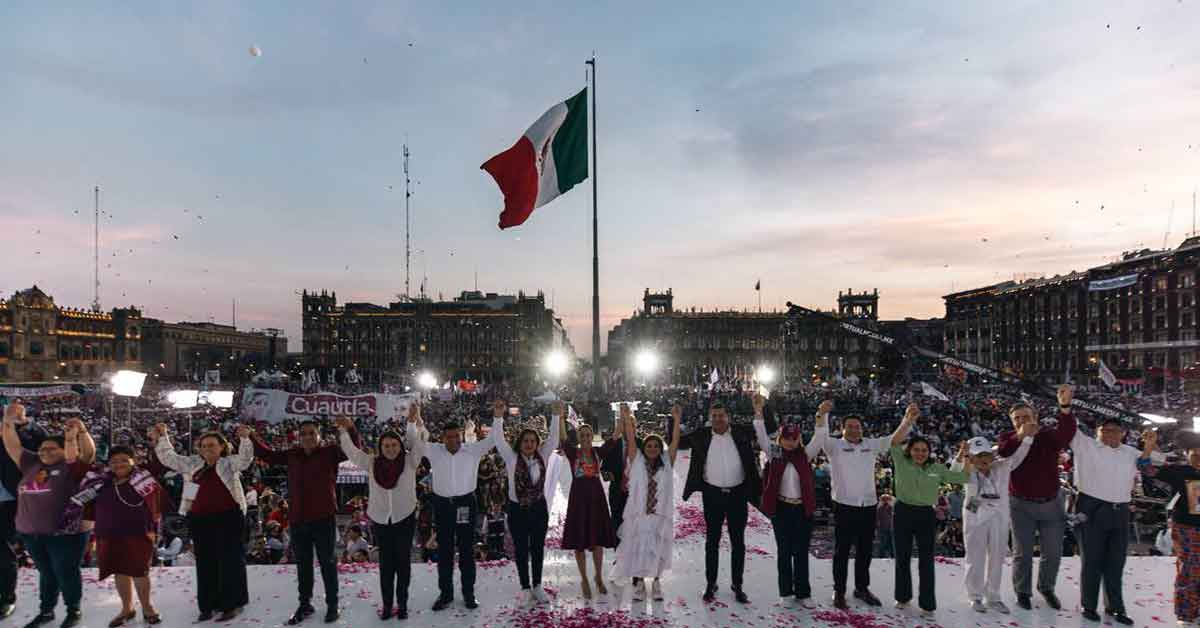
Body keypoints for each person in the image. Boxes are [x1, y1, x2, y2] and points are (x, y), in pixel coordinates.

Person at [251, 419, 360, 625]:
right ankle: (305, 604)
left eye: (312, 433)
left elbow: (354, 449)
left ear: (320, 435)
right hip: (298, 519)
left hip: (323, 518)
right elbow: (268, 456)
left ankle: (332, 604)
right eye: (304, 434)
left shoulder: (331, 452)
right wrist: (250, 437)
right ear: (298, 437)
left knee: (327, 563)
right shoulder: (292, 455)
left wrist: (350, 428)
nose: (308, 437)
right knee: (303, 564)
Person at [810, 401, 917, 609]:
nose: (854, 429)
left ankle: (861, 588)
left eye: (857, 426)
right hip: (844, 505)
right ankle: (839, 591)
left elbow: (895, 439)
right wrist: (821, 414)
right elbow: (821, 435)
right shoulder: (834, 446)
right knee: (841, 552)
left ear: (862, 428)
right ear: (842, 429)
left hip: (868, 505)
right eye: (849, 426)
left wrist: (908, 420)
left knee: (865, 550)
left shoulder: (871, 444)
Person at [3, 403, 95, 628]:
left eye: (52, 448)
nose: (45, 452)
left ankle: (73, 610)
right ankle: (46, 611)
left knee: (65, 572)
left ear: (65, 450)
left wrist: (81, 431)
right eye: (42, 449)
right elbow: (12, 444)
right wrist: (7, 420)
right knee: (46, 573)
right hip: (33, 533)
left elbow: (89, 453)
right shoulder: (31, 463)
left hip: (65, 533)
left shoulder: (71, 467)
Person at [1069, 394, 1156, 626]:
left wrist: (1148, 448)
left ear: (1123, 433)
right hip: (1091, 508)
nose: (1111, 434)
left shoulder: (1129, 452)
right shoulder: (1086, 446)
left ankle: (1115, 607)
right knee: (1092, 561)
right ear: (1098, 431)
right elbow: (1067, 427)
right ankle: (1089, 605)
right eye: (1106, 430)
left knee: (1116, 562)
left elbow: (1148, 469)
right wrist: (1065, 405)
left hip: (1120, 510)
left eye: (1115, 431)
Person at [153, 423, 254, 622]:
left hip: (229, 518)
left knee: (230, 562)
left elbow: (245, 460)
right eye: (204, 446)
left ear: (222, 447)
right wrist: (164, 436)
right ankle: (208, 605)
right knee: (206, 563)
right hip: (200, 519)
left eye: (212, 445)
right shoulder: (192, 465)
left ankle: (231, 604)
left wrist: (245, 438)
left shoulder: (228, 463)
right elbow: (169, 458)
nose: (208, 449)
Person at [336, 404, 427, 620]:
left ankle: (402, 604)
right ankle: (387, 605)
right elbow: (351, 452)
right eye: (386, 445)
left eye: (394, 445)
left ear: (399, 445)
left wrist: (415, 421)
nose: (390, 449)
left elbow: (419, 441)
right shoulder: (371, 463)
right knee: (386, 566)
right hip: (381, 520)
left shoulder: (410, 461)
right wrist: (343, 430)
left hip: (404, 518)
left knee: (403, 564)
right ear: (380, 446)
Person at [678, 401, 773, 604]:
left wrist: (760, 409)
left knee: (738, 542)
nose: (718, 419)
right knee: (712, 542)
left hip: (738, 494)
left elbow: (770, 428)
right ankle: (710, 583)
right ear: (709, 418)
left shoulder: (740, 432)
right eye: (714, 416)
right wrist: (676, 419)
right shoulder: (702, 434)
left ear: (728, 417)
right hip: (712, 495)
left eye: (721, 415)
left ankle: (737, 585)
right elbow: (676, 442)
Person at [996, 384, 1077, 611]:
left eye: (1025, 417)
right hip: (1020, 505)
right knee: (1022, 552)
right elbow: (1003, 452)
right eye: (1017, 419)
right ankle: (1023, 591)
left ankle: (1047, 587)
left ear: (1036, 417)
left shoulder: (1048, 437)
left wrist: (1065, 407)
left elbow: (1067, 433)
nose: (1021, 421)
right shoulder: (1008, 437)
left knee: (1052, 552)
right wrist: (1020, 436)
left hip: (1051, 503)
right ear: (1012, 422)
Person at [889, 414, 970, 619]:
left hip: (926, 514)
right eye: (916, 449)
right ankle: (903, 596)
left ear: (929, 452)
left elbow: (960, 477)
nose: (920, 453)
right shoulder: (900, 460)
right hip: (902, 512)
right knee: (902, 558)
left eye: (924, 450)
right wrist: (907, 421)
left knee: (926, 560)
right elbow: (894, 441)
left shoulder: (936, 468)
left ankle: (927, 603)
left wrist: (964, 457)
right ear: (909, 450)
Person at [71, 445, 163, 626]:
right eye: (114, 461)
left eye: (123, 460)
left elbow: (157, 506)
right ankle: (127, 609)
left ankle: (147, 607)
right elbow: (84, 503)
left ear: (133, 461)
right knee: (119, 571)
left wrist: (155, 531)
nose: (118, 464)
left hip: (138, 532)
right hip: (108, 534)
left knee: (140, 572)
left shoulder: (144, 479)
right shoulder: (99, 482)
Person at [424, 400, 502, 611]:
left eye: (456, 436)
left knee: (467, 551)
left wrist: (497, 416)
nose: (453, 440)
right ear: (442, 437)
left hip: (466, 504)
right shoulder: (434, 451)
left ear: (460, 435)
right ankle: (446, 594)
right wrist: (414, 421)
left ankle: (469, 593)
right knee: (445, 551)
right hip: (442, 506)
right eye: (449, 437)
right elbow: (414, 441)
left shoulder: (473, 450)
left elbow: (494, 438)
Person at [955, 428, 1035, 614]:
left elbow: (1019, 455)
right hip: (976, 517)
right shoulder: (967, 469)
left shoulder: (1002, 467)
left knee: (997, 558)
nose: (983, 459)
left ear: (992, 454)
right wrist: (962, 454)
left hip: (998, 517)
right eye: (978, 455)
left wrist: (1028, 438)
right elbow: (954, 469)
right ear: (972, 458)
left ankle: (994, 597)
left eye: (986, 454)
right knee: (975, 558)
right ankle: (975, 597)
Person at [491, 401, 562, 605]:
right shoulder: (511, 458)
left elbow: (555, 438)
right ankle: (524, 587)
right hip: (517, 510)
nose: (529, 444)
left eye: (532, 441)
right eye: (525, 441)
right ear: (520, 443)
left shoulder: (544, 456)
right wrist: (498, 416)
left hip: (538, 509)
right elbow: (498, 439)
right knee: (521, 549)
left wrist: (556, 416)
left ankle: (538, 586)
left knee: (537, 548)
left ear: (537, 443)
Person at [753, 394, 820, 604]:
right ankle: (786, 592)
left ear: (799, 439)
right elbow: (762, 436)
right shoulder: (775, 453)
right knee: (784, 551)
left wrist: (822, 417)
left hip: (802, 510)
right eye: (787, 439)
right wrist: (758, 411)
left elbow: (819, 438)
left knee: (801, 552)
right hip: (781, 508)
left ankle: (803, 593)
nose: (790, 443)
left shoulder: (806, 454)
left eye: (794, 439)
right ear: (780, 439)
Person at [615, 402, 681, 602]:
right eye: (649, 446)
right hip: (640, 514)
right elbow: (631, 439)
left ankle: (657, 582)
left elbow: (675, 442)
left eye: (655, 446)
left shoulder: (667, 463)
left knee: (658, 548)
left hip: (660, 514)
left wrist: (677, 420)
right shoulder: (637, 462)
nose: (652, 448)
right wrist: (626, 418)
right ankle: (640, 583)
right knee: (639, 548)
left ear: (660, 449)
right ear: (644, 448)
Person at [559, 406, 620, 600]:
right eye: (582, 436)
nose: (585, 439)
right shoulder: (572, 454)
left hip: (595, 499)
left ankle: (598, 577)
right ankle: (584, 579)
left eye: (587, 435)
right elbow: (562, 438)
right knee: (580, 542)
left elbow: (614, 439)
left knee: (598, 541)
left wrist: (623, 417)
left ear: (591, 437)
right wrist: (560, 417)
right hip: (578, 499)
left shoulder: (597, 452)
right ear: (578, 438)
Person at [1141, 431, 1200, 624]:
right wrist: (1150, 446)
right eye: (1195, 455)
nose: (1199, 459)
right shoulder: (1180, 472)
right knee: (1189, 570)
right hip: (1187, 528)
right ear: (1188, 454)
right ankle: (1186, 613)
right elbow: (1147, 468)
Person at [0, 403, 24, 620]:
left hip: (4, 503)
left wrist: (20, 422)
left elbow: (32, 441)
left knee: (3, 553)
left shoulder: (9, 436)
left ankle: (6, 597)